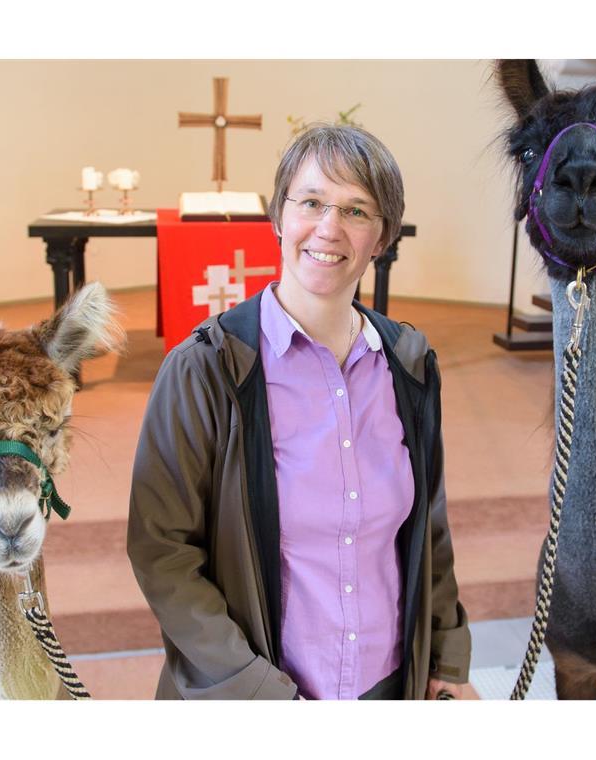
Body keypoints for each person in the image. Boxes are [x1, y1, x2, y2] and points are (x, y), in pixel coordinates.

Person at [127, 125, 470, 699]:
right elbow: (163, 552)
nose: (329, 229)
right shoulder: (205, 370)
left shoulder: (408, 366)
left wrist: (448, 661)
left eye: (357, 210)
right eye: (311, 202)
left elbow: (427, 529)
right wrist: (259, 691)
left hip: (387, 687)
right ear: (278, 217)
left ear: (382, 237)